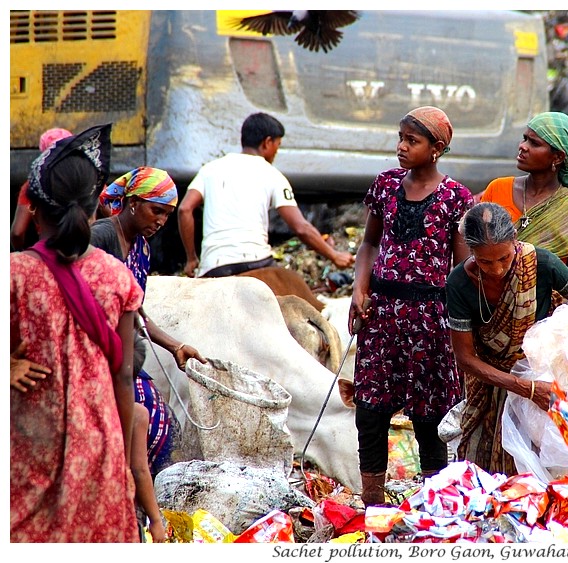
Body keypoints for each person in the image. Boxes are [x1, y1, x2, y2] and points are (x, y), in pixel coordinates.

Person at [10, 124, 143, 542]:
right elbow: (124, 374)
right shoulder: (116, 276)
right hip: (99, 441)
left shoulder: (15, 274)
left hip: (30, 441)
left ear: (33, 206)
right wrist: (120, 457)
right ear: (92, 209)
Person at [347, 106, 474, 506]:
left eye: (412, 141)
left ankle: (434, 504)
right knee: (371, 410)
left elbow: (461, 267)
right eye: (400, 138)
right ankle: (373, 503)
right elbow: (369, 244)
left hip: (430, 320)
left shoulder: (455, 198)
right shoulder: (386, 186)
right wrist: (359, 288)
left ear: (437, 148)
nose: (401, 147)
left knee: (430, 414)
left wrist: (462, 321)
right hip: (381, 313)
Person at [93, 166, 205, 542]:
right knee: (138, 421)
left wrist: (174, 345)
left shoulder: (140, 246)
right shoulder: (102, 237)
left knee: (157, 421)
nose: (161, 221)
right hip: (98, 353)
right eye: (156, 211)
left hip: (125, 353)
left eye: (167, 216)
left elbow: (136, 310)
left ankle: (137, 510)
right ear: (134, 203)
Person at [446, 202, 568, 475]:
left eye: (504, 258)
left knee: (555, 455)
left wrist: (564, 352)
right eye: (485, 261)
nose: (497, 269)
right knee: (483, 465)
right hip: (489, 379)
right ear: (470, 251)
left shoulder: (542, 263)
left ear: (515, 241)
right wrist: (524, 387)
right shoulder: (459, 283)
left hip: (546, 378)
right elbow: (465, 358)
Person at [177, 112, 355, 278]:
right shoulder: (273, 175)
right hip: (256, 262)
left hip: (213, 267)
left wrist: (191, 258)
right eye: (277, 146)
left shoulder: (209, 169)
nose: (276, 153)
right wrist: (334, 255)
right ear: (267, 143)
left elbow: (185, 209)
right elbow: (301, 227)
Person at [480, 111, 568, 290]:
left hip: (549, 315)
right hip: (489, 310)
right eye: (524, 139)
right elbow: (475, 251)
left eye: (534, 143)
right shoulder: (497, 189)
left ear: (558, 157)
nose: (523, 146)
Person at [10, 127, 73, 251]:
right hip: (83, 252)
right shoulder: (87, 178)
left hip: (46, 253)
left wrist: (25, 256)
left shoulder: (32, 184)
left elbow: (17, 232)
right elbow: (112, 211)